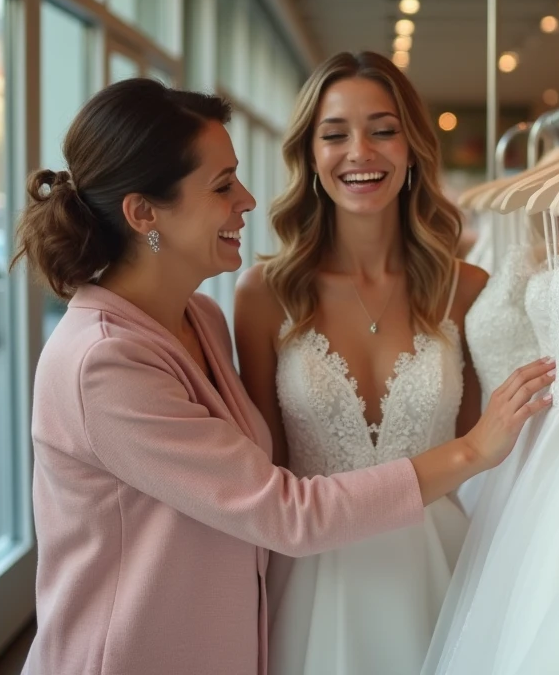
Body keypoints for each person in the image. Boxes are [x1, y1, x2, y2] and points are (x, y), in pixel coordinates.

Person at [12, 77, 553, 675]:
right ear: (144, 214)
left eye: (236, 177)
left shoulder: (201, 318)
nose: (246, 199)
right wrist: (474, 450)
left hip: (241, 634)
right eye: (222, 186)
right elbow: (281, 509)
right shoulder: (101, 364)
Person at [232, 51, 492, 674]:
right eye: (335, 134)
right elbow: (266, 467)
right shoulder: (265, 294)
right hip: (313, 585)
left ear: (412, 148)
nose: (360, 153)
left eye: (382, 130)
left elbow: (475, 449)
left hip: (444, 575)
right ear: (310, 154)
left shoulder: (469, 289)